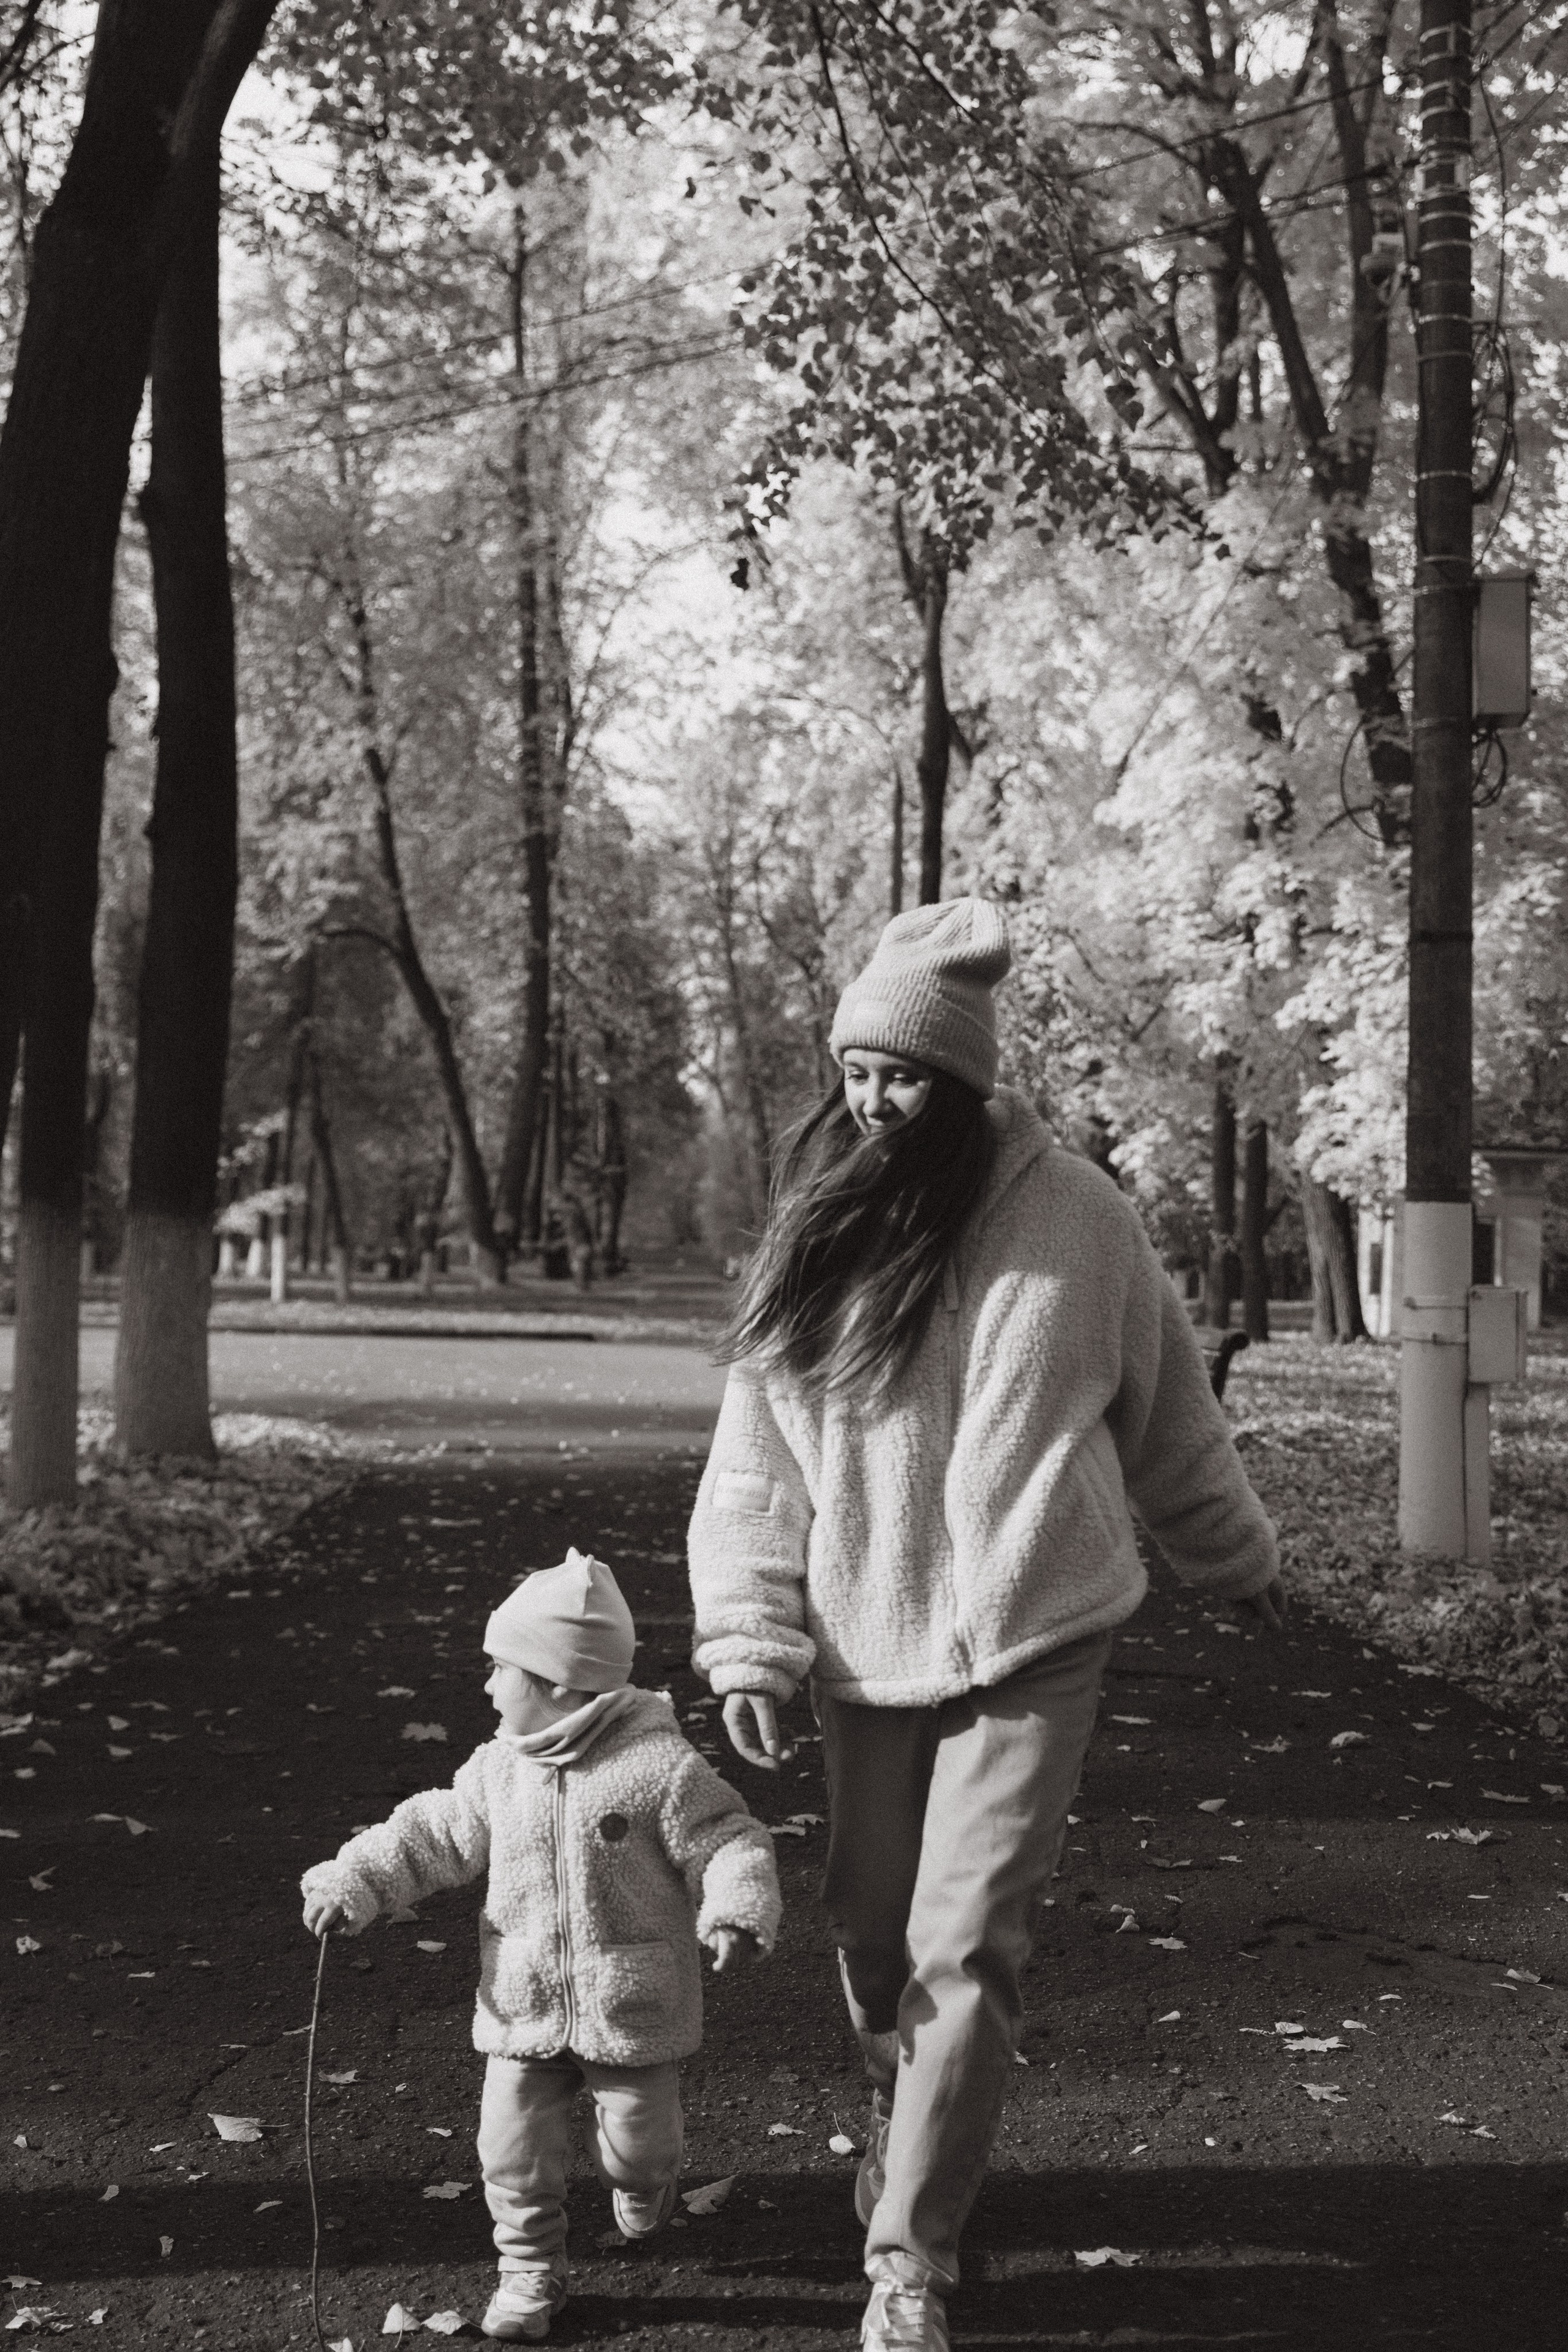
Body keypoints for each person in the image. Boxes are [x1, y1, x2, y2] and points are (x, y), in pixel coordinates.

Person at [687, 899, 1284, 2352]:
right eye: (856, 1072)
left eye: (900, 1075)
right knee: (871, 1927)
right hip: (862, 1631)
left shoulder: (1078, 1214)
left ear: (959, 1081)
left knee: (970, 1942)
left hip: (1035, 1628)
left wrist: (1234, 1557)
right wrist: (749, 1639)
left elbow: (1169, 1418)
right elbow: (753, 1463)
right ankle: (895, 2089)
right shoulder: (816, 1227)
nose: (873, 1099)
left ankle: (911, 2256)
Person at [301, 1548, 782, 2343]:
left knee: (640, 2151)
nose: (488, 1685)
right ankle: (528, 2269)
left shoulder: (656, 1768)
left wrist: (735, 1908)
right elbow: (426, 1835)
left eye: (501, 1668)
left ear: (559, 1681)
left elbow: (726, 1838)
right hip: (521, 2006)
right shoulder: (497, 1773)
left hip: (633, 2011)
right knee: (511, 2148)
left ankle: (644, 2182)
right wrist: (352, 1883)